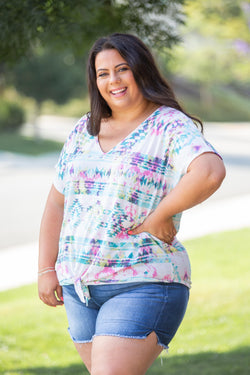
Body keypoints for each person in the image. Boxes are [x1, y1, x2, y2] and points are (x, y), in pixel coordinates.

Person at [38, 33, 226, 375]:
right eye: (103, 73)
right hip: (80, 288)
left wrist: (161, 214)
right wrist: (46, 268)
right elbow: (56, 203)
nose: (113, 80)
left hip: (143, 279)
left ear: (141, 70)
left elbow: (210, 171)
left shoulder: (168, 125)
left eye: (122, 69)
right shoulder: (84, 129)